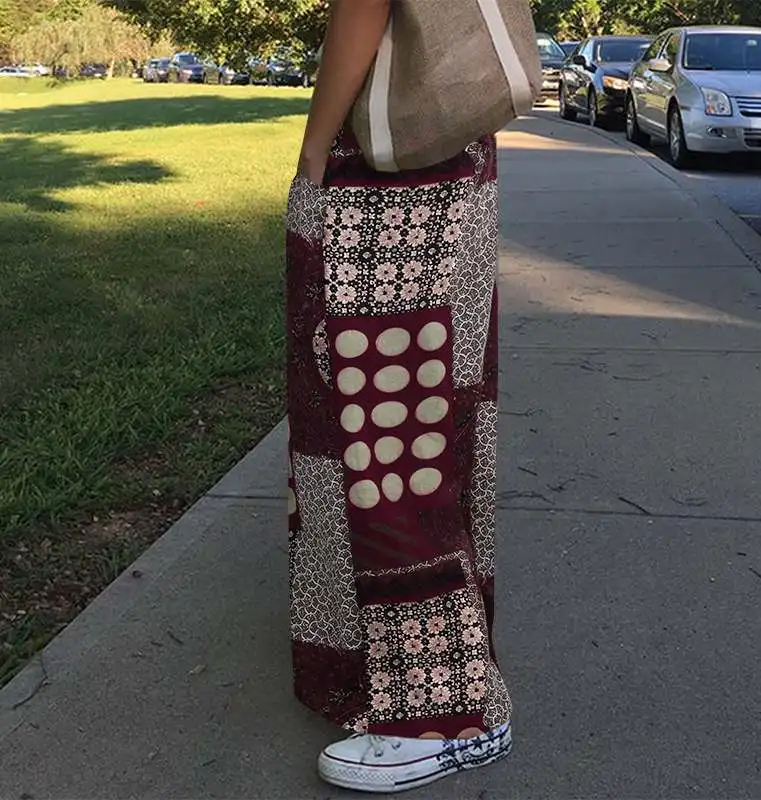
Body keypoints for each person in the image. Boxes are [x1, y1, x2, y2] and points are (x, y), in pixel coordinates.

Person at [285, 0, 512, 791]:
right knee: (427, 426)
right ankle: (417, 673)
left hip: (389, 183)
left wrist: (313, 150)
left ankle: (448, 716)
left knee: (388, 441)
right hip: (443, 156)